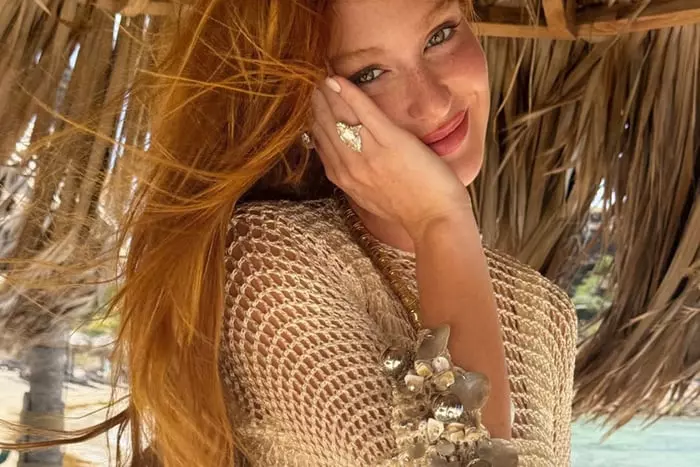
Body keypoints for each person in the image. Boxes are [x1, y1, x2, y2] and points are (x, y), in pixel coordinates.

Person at [0, 0, 576, 466]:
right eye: (369, 74)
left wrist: (441, 225)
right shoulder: (268, 264)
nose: (433, 102)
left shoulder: (543, 310)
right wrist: (440, 220)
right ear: (304, 108)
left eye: (440, 35)